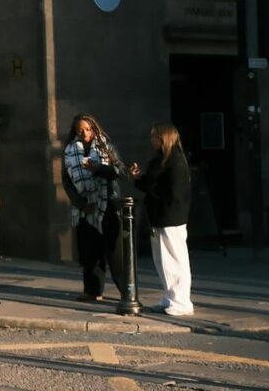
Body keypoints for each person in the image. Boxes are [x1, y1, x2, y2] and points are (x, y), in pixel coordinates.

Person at [131, 122, 194, 316]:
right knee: (162, 260)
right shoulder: (163, 160)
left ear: (164, 138)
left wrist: (146, 183)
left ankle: (181, 302)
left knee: (174, 259)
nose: (152, 140)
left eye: (155, 136)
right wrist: (140, 178)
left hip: (170, 217)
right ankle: (169, 297)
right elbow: (152, 185)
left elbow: (172, 193)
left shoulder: (174, 161)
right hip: (160, 216)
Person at [63, 113, 125, 301]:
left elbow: (120, 170)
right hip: (85, 207)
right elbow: (66, 181)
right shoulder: (69, 150)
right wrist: (81, 204)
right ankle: (93, 291)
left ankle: (126, 292)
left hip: (107, 204)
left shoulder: (106, 146)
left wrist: (97, 169)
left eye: (88, 129)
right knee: (90, 253)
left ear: (94, 129)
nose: (84, 133)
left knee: (115, 254)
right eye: (80, 130)